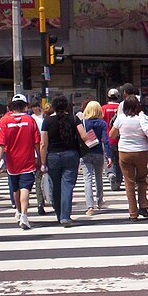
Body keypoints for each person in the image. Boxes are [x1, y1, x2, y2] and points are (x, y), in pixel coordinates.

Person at [0, 94, 40, 230]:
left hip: (12, 160)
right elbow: (37, 141)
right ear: (25, 105)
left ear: (12, 106)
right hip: (28, 158)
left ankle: (19, 212)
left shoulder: (4, 121)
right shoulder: (30, 120)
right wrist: (41, 159)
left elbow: (0, 143)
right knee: (25, 187)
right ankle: (25, 216)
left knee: (15, 188)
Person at [40, 95, 87, 227]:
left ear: (53, 106)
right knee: (67, 186)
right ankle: (65, 217)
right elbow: (83, 136)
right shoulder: (73, 119)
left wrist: (43, 162)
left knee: (55, 186)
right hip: (71, 155)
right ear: (67, 106)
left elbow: (43, 143)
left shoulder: (47, 121)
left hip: (53, 156)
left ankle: (59, 213)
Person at [110, 95, 148, 221]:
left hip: (124, 152)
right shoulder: (142, 118)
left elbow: (112, 135)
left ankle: (133, 213)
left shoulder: (120, 118)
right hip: (141, 151)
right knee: (141, 179)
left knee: (129, 182)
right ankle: (143, 205)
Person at [80, 100, 111, 216]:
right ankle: (100, 200)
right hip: (98, 152)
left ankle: (90, 206)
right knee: (99, 178)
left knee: (87, 179)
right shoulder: (102, 123)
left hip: (86, 152)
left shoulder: (84, 122)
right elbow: (106, 141)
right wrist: (109, 156)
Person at [102, 88, 123, 191]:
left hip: (107, 138)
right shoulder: (121, 108)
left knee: (109, 159)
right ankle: (118, 181)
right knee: (119, 161)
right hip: (120, 138)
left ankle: (110, 173)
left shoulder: (103, 108)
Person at [30, 100, 48, 215]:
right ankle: (40, 203)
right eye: (34, 107)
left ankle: (47, 199)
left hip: (45, 151)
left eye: (37, 106)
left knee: (45, 178)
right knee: (38, 178)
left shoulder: (44, 118)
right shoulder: (30, 119)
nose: (36, 109)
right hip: (37, 152)